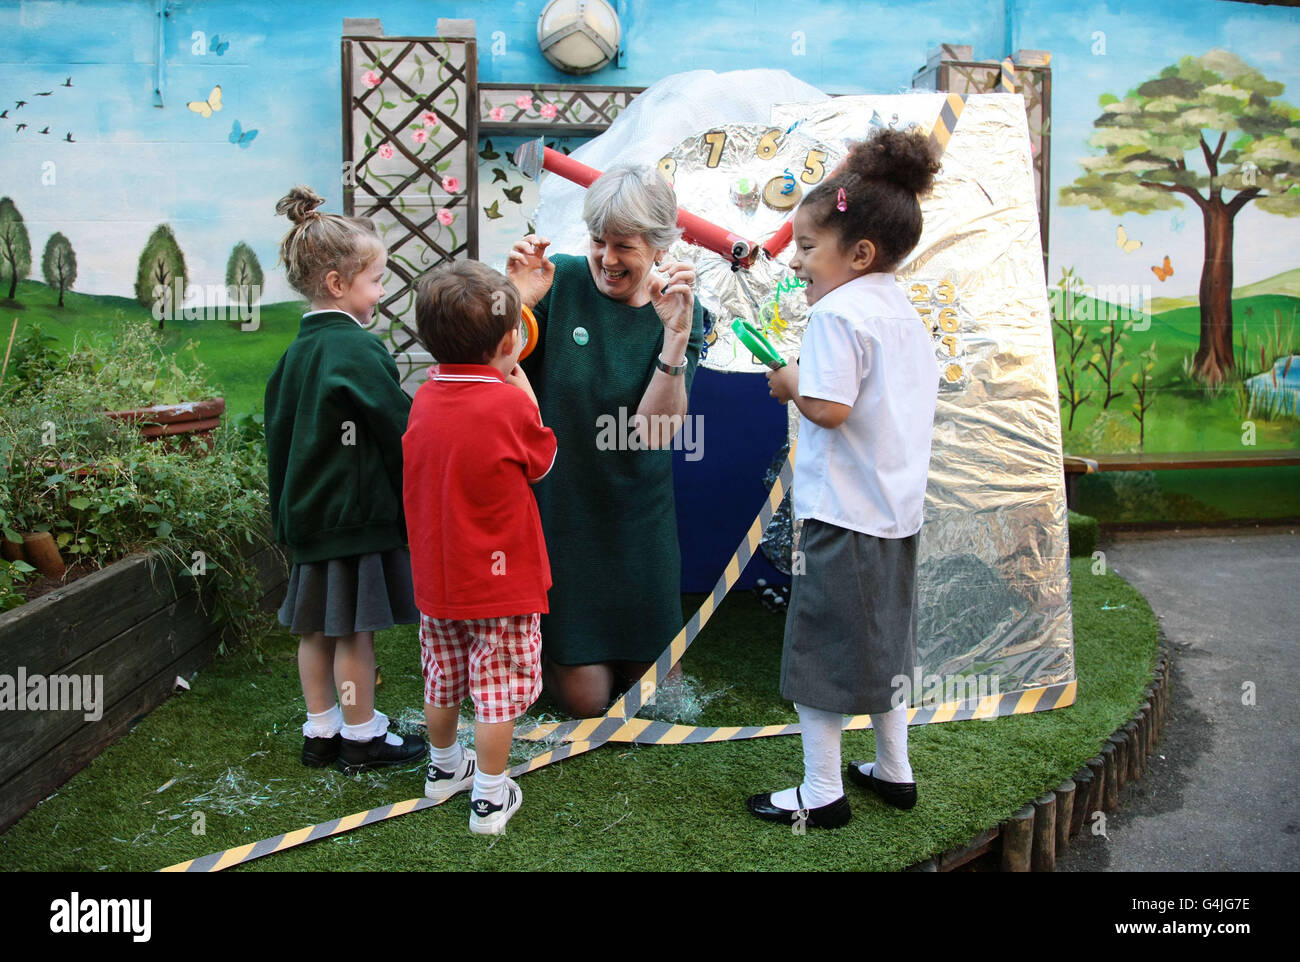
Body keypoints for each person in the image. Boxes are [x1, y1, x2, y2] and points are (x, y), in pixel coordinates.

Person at [746, 128, 941, 829]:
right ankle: (895, 769)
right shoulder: (899, 307)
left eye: (805, 247)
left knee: (819, 657)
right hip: (896, 516)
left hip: (843, 518)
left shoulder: (838, 312)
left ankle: (821, 792)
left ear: (858, 253)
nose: (795, 261)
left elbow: (829, 408)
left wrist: (788, 383)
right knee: (887, 645)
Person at [505, 165, 706, 718]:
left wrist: (675, 341)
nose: (608, 258)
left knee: (659, 700)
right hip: (565, 515)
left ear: (661, 245)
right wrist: (516, 298)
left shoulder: (683, 307)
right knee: (585, 702)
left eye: (625, 245)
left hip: (638, 516)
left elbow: (655, 434)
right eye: (599, 240)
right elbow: (499, 366)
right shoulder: (560, 281)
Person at [265, 185, 425, 774]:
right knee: (356, 632)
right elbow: (399, 429)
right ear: (337, 283)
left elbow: (277, 442)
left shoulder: (295, 355)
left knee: (316, 630)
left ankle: (322, 731)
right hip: (354, 523)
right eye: (377, 280)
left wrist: (286, 516)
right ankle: (361, 737)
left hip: (309, 520)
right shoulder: (355, 350)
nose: (382, 292)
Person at [403, 261, 557, 835]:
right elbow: (543, 462)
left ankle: (443, 771)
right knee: (498, 689)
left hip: (440, 581)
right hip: (503, 582)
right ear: (507, 341)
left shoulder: (423, 397)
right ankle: (490, 798)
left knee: (442, 677)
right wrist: (519, 379)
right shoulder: (511, 404)